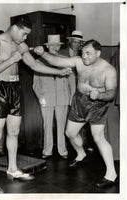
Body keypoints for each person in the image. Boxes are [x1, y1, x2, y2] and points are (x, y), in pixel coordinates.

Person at [0, 16, 71, 193]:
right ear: (14, 28)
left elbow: (35, 64)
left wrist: (58, 72)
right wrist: (11, 60)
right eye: (24, 34)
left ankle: (12, 169)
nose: (25, 39)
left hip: (15, 88)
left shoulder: (20, 45)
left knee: (14, 132)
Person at [34, 39, 117, 188]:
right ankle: (81, 154)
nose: (84, 56)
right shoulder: (79, 62)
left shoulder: (108, 70)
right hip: (79, 101)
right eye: (82, 52)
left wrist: (99, 95)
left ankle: (111, 174)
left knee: (98, 137)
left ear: (98, 53)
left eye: (88, 53)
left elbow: (111, 93)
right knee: (70, 133)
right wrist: (43, 54)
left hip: (98, 104)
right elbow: (57, 61)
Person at [33, 35, 75, 159]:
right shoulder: (39, 62)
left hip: (63, 98)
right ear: (47, 46)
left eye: (57, 45)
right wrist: (40, 96)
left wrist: (71, 97)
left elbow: (72, 81)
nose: (55, 47)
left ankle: (62, 150)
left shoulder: (66, 60)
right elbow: (36, 84)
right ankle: (47, 150)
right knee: (47, 125)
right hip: (46, 98)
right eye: (52, 45)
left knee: (62, 125)